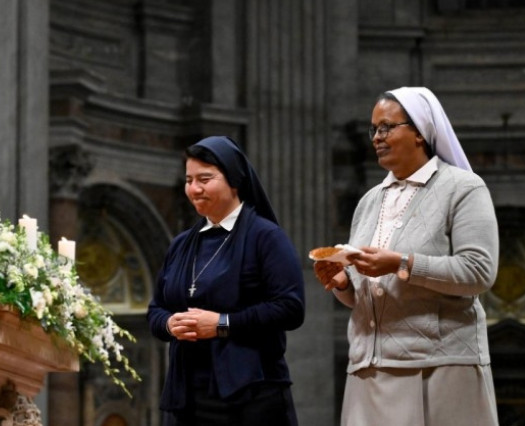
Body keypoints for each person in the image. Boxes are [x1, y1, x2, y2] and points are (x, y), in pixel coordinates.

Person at [314, 87, 499, 425]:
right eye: (374, 129)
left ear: (419, 131)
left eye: (387, 127)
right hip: (369, 368)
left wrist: (401, 263)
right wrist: (344, 282)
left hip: (440, 366)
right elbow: (366, 294)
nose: (377, 138)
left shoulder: (464, 188)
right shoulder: (371, 200)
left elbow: (479, 272)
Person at [148, 136, 305, 426]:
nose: (194, 189)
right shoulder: (181, 244)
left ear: (234, 180)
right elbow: (156, 309)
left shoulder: (265, 237)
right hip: (188, 395)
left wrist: (222, 324)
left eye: (204, 179)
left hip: (252, 393)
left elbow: (291, 308)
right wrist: (170, 324)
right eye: (188, 180)